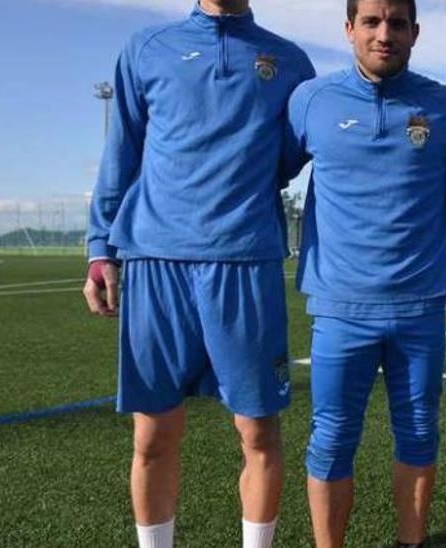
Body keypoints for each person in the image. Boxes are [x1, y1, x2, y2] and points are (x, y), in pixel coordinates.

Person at [82, 1, 314, 547]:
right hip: (155, 261)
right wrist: (100, 249)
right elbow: (122, 153)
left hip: (244, 263)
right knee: (153, 436)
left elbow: (285, 157)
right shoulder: (146, 48)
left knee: (257, 432)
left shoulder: (290, 62)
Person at [279, 1, 446, 546]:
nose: (384, 34)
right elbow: (271, 169)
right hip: (340, 307)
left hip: (421, 304)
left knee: (417, 435)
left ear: (415, 32)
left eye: (397, 23)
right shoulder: (311, 101)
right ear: (348, 29)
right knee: (331, 440)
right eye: (371, 21)